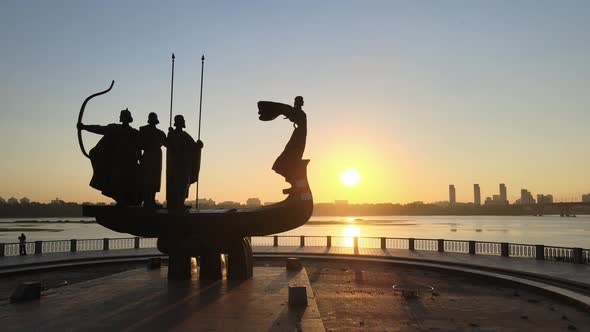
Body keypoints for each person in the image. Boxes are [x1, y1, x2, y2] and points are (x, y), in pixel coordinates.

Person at [78, 109, 141, 206]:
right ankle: (122, 200)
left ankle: (126, 200)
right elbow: (99, 129)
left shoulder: (131, 132)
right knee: (116, 183)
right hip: (118, 162)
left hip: (127, 163)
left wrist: (84, 127)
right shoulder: (118, 129)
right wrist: (84, 127)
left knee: (124, 183)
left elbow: (139, 147)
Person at [166, 115, 203, 211]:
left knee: (184, 184)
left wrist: (198, 145)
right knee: (180, 184)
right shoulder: (174, 135)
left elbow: (193, 146)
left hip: (185, 164)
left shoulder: (182, 135)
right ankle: (178, 204)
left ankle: (180, 203)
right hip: (179, 164)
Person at [272, 96, 307, 187]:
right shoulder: (299, 112)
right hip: (299, 135)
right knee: (291, 152)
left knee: (293, 152)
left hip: (300, 135)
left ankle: (292, 173)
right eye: (301, 101)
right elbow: (293, 117)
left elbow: (293, 117)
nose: (302, 102)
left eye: (302, 101)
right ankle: (290, 171)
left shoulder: (299, 112)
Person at [139, 113, 167, 208]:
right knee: (149, 179)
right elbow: (138, 145)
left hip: (153, 157)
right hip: (151, 156)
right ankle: (148, 201)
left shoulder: (157, 132)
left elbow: (167, 144)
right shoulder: (157, 132)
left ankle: (150, 201)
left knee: (153, 179)